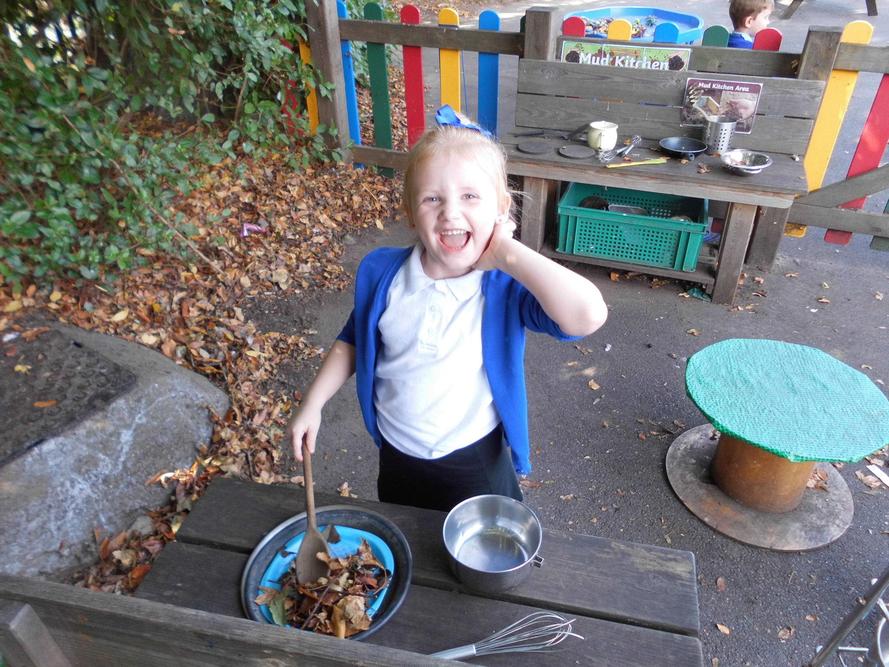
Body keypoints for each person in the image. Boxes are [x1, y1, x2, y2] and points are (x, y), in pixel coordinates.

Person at [287, 106, 608, 512]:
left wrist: (507, 253)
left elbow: (587, 314)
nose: (450, 212)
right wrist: (312, 403)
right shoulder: (381, 273)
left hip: (474, 459)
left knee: (481, 554)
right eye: (432, 198)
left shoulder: (505, 287)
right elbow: (351, 341)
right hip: (397, 454)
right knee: (409, 539)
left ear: (501, 208)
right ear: (410, 211)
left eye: (470, 196)